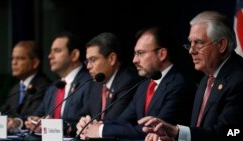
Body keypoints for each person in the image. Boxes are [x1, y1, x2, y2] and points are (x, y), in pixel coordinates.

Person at [138, 11, 243, 141]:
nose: (191, 51)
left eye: (198, 43)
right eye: (190, 43)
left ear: (221, 45)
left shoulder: (239, 79)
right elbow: (202, 132)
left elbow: (229, 134)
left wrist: (177, 132)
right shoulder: (206, 79)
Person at [76, 27, 196, 140]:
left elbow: (155, 130)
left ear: (162, 54)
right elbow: (123, 120)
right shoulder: (144, 85)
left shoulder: (179, 84)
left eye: (141, 53)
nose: (135, 60)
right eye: (135, 54)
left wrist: (101, 130)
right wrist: (92, 125)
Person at [24, 31, 92, 137]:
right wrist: (36, 120)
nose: (50, 56)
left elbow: (91, 120)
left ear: (74, 55)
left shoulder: (89, 83)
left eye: (57, 51)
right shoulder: (53, 87)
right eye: (51, 52)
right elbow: (38, 114)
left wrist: (64, 127)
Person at [75, 32, 142, 136]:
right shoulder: (97, 83)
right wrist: (82, 122)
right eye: (87, 61)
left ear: (112, 59)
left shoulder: (128, 81)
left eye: (93, 60)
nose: (88, 66)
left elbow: (115, 121)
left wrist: (91, 127)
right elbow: (84, 114)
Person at [0, 41, 51, 132]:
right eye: (12, 58)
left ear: (35, 62)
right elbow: (5, 111)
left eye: (20, 58)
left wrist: (15, 120)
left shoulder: (45, 86)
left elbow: (32, 116)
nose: (14, 63)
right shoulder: (15, 88)